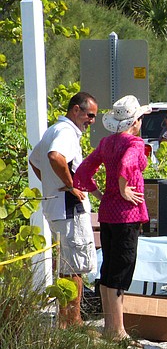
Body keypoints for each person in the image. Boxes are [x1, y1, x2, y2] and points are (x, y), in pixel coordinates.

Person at [73, 95, 150, 342]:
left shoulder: (107, 142)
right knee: (122, 269)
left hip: (108, 212)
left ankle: (110, 326)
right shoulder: (135, 143)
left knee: (108, 269)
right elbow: (128, 163)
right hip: (127, 213)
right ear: (135, 121)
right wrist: (124, 187)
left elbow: (84, 169)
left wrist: (98, 192)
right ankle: (117, 330)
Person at [29, 91, 98, 328]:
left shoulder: (53, 129)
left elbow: (34, 160)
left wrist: (50, 183)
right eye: (90, 115)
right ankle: (73, 320)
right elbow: (54, 156)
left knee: (67, 266)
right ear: (75, 110)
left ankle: (64, 320)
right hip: (69, 210)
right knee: (75, 268)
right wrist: (70, 186)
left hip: (56, 207)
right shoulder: (66, 132)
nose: (92, 120)